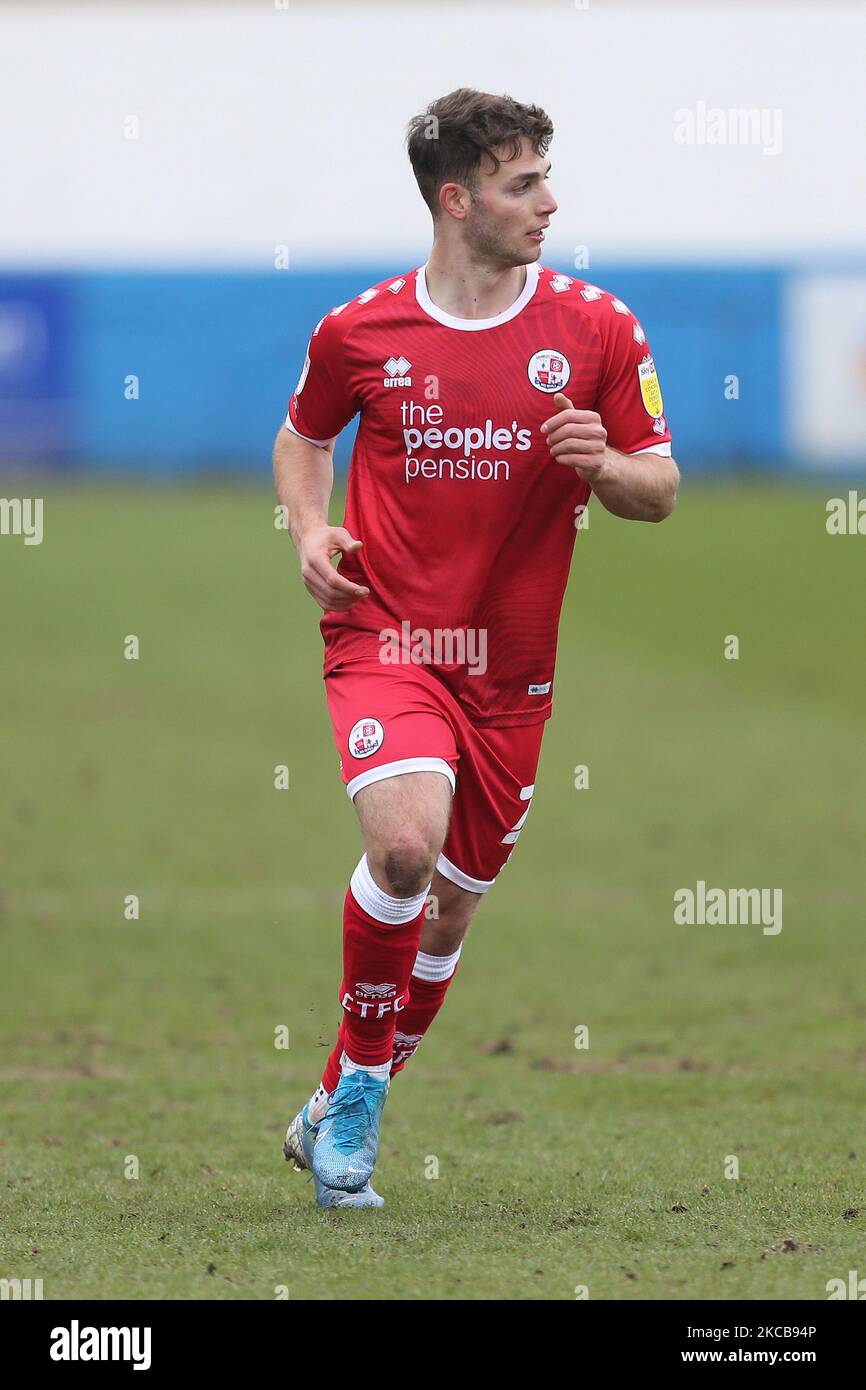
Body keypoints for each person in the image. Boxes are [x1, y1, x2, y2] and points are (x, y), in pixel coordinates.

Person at [273, 87, 679, 1208]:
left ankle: (331, 1095)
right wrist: (311, 528)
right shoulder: (359, 332)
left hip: (510, 669)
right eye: (521, 183)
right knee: (403, 849)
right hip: (387, 633)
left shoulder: (598, 329)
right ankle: (362, 1089)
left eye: (545, 175)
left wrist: (605, 469)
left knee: (448, 909)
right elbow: (304, 435)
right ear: (457, 202)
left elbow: (661, 486)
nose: (549, 201)